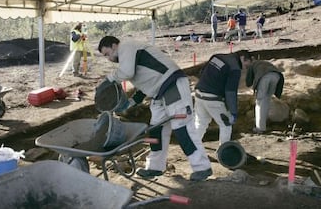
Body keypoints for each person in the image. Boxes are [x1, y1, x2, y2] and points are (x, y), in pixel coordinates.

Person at [98, 36, 212, 181]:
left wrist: (108, 79)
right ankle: (155, 167)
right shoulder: (130, 57)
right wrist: (131, 102)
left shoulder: (126, 46)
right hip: (159, 93)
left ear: (114, 45)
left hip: (172, 86)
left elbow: (126, 73)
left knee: (182, 128)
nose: (108, 59)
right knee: (156, 131)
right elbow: (145, 83)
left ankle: (202, 168)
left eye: (107, 54)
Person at [194, 51, 247, 146]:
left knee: (201, 123)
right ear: (243, 58)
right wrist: (233, 111)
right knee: (226, 125)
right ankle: (224, 152)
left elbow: (202, 72)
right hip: (213, 99)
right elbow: (231, 92)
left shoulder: (217, 56)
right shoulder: (235, 68)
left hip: (199, 93)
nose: (246, 67)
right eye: (247, 63)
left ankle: (193, 149)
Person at [243, 58, 284, 134]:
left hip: (265, 77)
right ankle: (263, 125)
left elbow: (248, 83)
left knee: (259, 102)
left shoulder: (252, 65)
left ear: (249, 60)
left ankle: (260, 128)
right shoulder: (263, 62)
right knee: (266, 101)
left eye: (245, 61)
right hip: (276, 76)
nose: (244, 65)